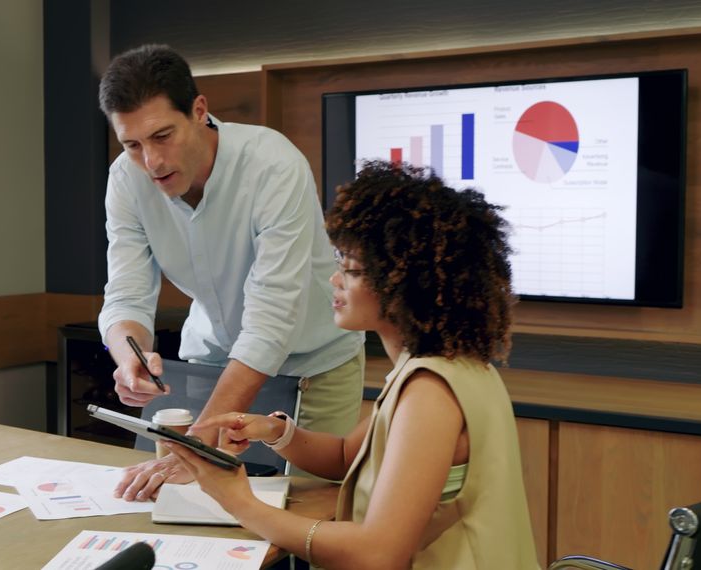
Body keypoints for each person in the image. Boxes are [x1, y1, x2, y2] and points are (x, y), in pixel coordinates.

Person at [165, 162, 539, 569]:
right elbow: (347, 455)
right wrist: (275, 431)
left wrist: (238, 502)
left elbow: (377, 554)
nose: (335, 281)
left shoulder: (430, 394)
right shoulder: (446, 365)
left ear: (404, 286)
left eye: (353, 271)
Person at [96, 44, 365, 501]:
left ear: (199, 111)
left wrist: (193, 446)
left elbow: (270, 320)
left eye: (162, 136)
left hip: (314, 366)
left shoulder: (272, 166)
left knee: (304, 516)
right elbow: (124, 295)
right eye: (133, 144)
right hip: (211, 360)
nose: (152, 161)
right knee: (175, 507)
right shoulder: (126, 179)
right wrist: (129, 356)